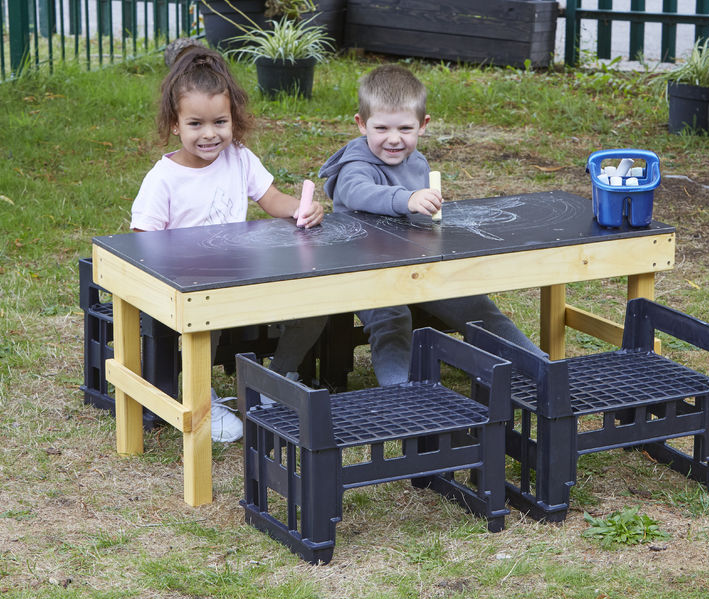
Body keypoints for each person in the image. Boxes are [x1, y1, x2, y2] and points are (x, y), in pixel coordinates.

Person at [131, 46, 327, 442]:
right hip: (191, 285)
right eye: (196, 123)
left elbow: (271, 199)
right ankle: (201, 395)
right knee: (208, 315)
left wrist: (303, 209)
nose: (210, 134)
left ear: (234, 120)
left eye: (220, 121)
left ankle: (275, 381)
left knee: (318, 298)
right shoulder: (163, 178)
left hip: (240, 273)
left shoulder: (239, 157)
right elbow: (143, 242)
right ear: (175, 124)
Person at [318, 64, 537, 386]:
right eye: (382, 129)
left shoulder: (417, 161)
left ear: (423, 125)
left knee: (477, 305)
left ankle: (535, 364)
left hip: (418, 265)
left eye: (405, 129)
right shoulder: (356, 165)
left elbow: (423, 217)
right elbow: (356, 192)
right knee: (392, 319)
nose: (394, 139)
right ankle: (403, 394)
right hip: (365, 272)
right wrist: (405, 199)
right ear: (362, 125)